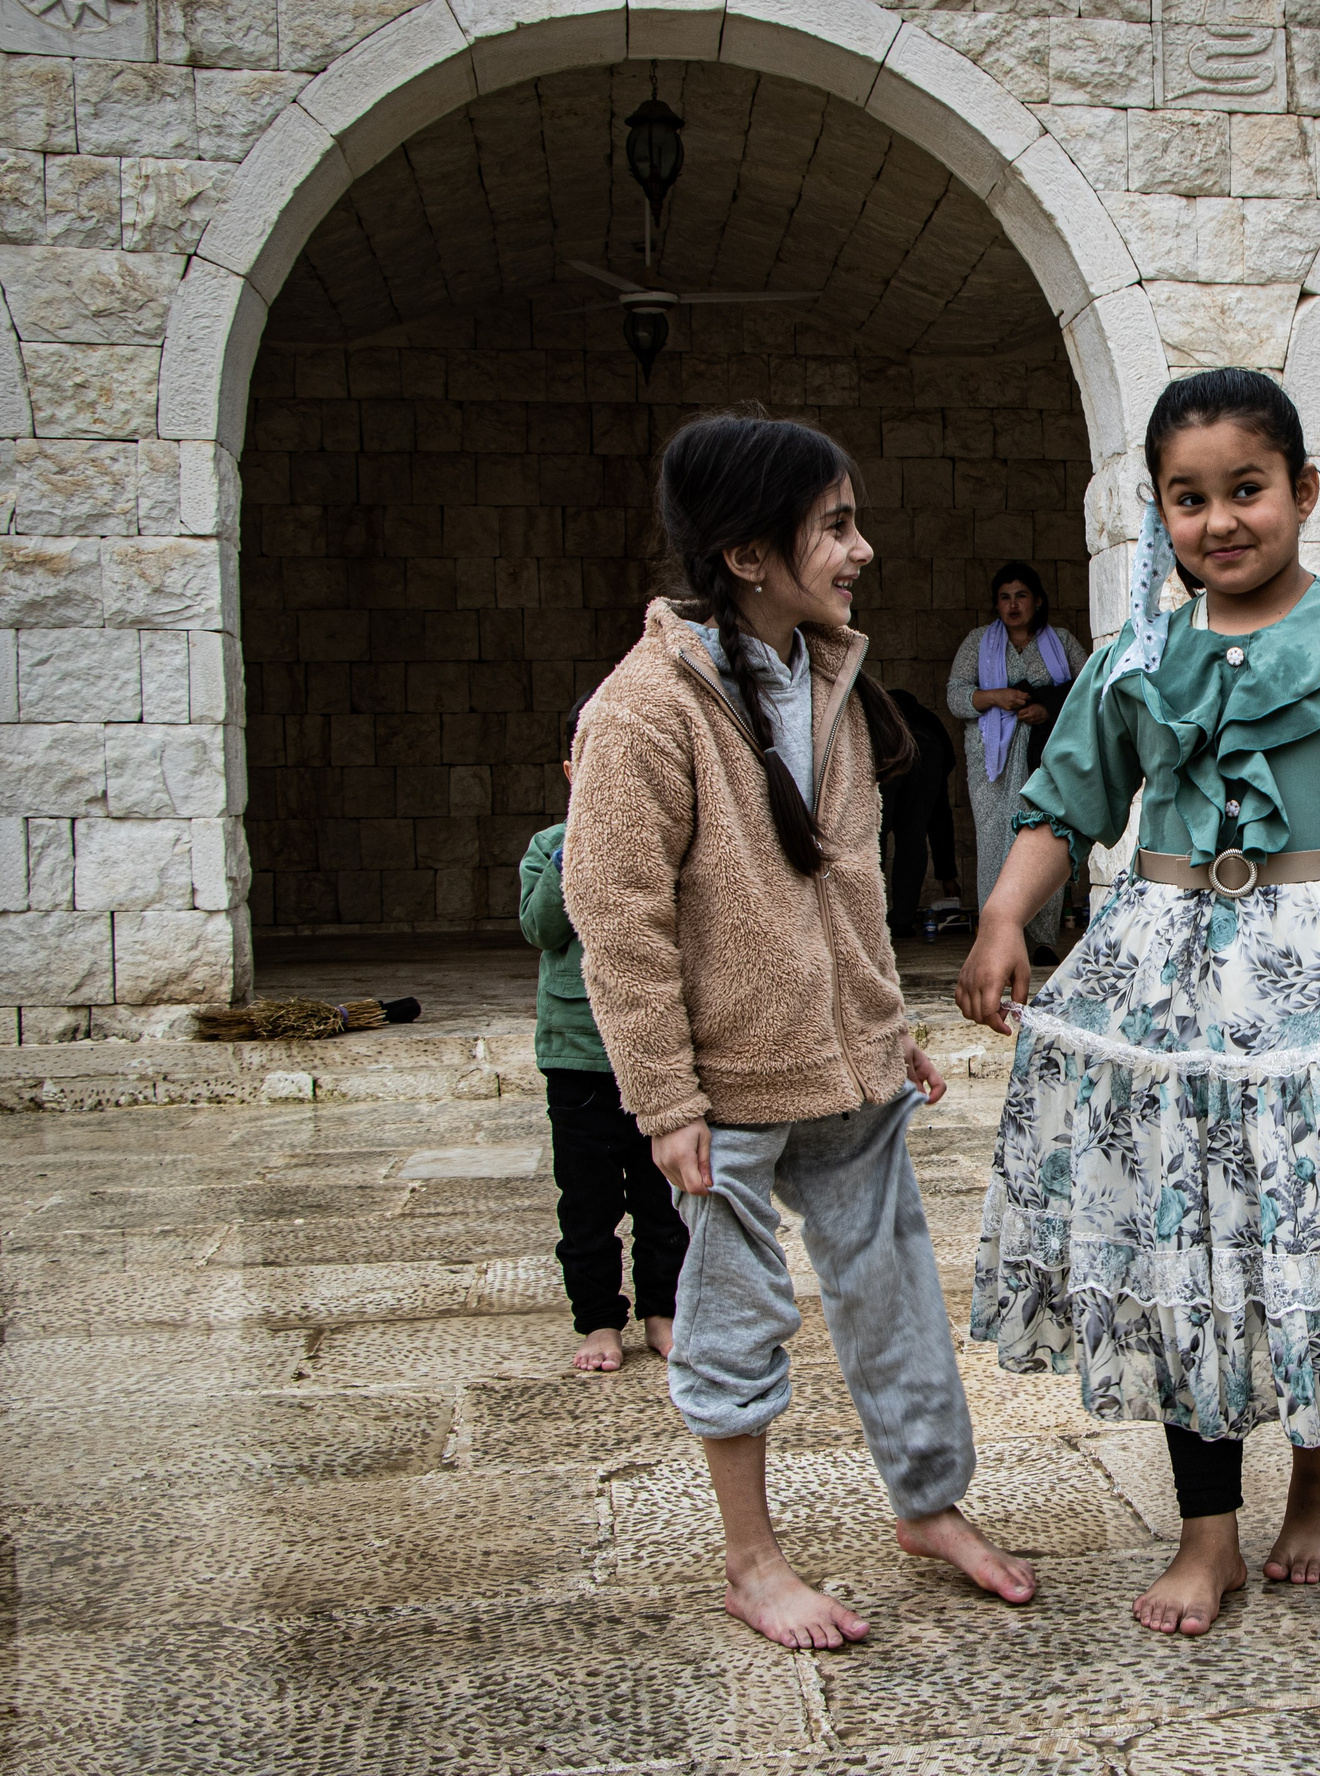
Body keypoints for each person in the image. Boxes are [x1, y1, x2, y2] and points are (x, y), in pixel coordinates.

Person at [958, 368, 1320, 1637]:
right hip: (1167, 987)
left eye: (1246, 489)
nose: (1221, 521)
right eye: (1188, 499)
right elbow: (1061, 806)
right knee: (1183, 1244)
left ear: (1303, 492)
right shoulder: (1136, 656)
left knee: (1314, 1236)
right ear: (1160, 514)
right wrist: (1000, 916)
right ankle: (1208, 1533)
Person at [564, 408, 1035, 1650]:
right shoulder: (643, 713)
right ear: (745, 555)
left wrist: (881, 1023)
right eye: (834, 526)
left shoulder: (828, 675)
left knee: (894, 1293)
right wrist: (664, 1102)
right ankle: (751, 1561)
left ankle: (929, 1506)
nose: (860, 549)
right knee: (734, 1309)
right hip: (724, 1088)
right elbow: (617, 919)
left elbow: (844, 883)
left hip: (849, 1068)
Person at [519, 689, 688, 1375]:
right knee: (587, 1201)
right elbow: (541, 927)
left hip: (649, 1052)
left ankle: (664, 1311)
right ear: (571, 771)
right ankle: (597, 1319)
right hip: (578, 1056)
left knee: (663, 1198)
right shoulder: (548, 848)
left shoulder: (661, 838)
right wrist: (578, 847)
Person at [948, 563, 1089, 963]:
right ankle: (994, 938)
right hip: (993, 762)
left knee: (1044, 834)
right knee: (995, 842)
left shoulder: (1060, 641)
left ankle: (1043, 940)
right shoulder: (978, 642)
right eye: (1005, 597)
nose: (1012, 605)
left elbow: (1089, 688)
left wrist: (1046, 708)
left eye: (1021, 595)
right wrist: (996, 697)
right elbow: (956, 697)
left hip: (1046, 755)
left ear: (1038, 600)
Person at [882, 686, 961, 939]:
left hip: (888, 748)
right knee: (912, 837)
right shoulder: (931, 726)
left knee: (873, 835)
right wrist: (947, 874)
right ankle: (902, 922)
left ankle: (867, 920)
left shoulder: (879, 718)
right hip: (925, 750)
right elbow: (939, 814)